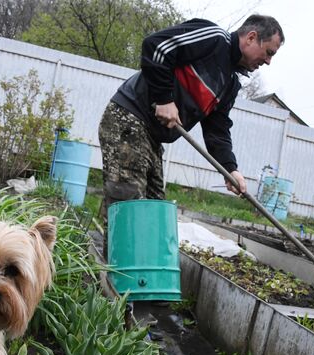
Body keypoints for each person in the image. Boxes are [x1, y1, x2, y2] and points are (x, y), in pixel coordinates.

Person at [98, 15, 284, 256]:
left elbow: (218, 129)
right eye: (268, 52)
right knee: (130, 207)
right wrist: (164, 99)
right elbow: (157, 46)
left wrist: (230, 168)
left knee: (154, 211)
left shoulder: (229, 83)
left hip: (151, 138)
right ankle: (116, 282)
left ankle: (140, 278)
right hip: (129, 118)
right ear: (251, 37)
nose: (268, 61)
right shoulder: (212, 39)